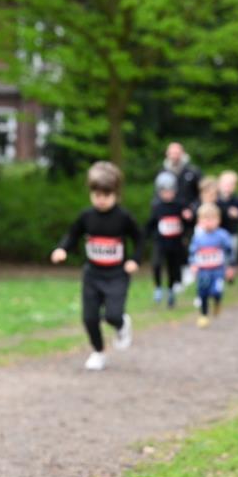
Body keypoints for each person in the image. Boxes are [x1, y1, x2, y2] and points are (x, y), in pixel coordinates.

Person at [51, 161, 140, 371]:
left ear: (115, 194)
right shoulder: (86, 216)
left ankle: (121, 324)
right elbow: (73, 234)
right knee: (89, 317)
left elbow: (139, 237)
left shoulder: (123, 217)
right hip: (92, 275)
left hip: (117, 275)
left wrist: (134, 259)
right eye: (96, 195)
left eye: (105, 196)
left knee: (112, 315)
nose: (100, 200)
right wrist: (62, 249)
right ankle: (98, 352)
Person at [146, 170, 192, 307]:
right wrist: (145, 237)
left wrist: (188, 217)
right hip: (160, 242)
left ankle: (171, 291)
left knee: (173, 268)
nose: (167, 194)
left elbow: (189, 223)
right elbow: (151, 223)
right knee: (157, 264)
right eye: (164, 191)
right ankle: (158, 288)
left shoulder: (180, 205)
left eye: (170, 191)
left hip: (175, 243)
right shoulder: (157, 206)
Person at [189, 203, 234, 328]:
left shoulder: (222, 235)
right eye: (205, 219)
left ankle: (217, 302)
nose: (209, 222)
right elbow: (192, 252)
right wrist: (193, 264)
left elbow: (229, 252)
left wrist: (230, 267)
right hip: (203, 271)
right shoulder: (198, 237)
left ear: (218, 220)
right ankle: (203, 315)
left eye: (212, 219)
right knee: (203, 293)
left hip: (218, 271)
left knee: (216, 291)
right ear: (199, 221)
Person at [217, 170, 238, 269]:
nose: (228, 187)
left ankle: (230, 272)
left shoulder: (237, 199)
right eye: (226, 184)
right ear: (219, 184)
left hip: (232, 232)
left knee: (231, 255)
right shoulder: (216, 199)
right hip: (217, 232)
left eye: (231, 184)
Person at [160, 141, 202, 208]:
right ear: (167, 154)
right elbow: (158, 195)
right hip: (171, 212)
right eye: (172, 153)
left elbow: (202, 192)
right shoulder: (162, 173)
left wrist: (193, 209)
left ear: (183, 153)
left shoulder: (193, 171)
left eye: (177, 153)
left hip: (190, 213)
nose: (174, 156)